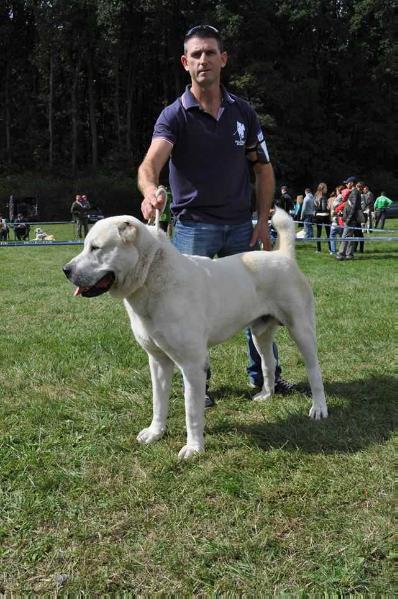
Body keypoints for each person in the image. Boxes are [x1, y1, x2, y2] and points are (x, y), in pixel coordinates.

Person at [138, 24, 294, 408]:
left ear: (223, 59)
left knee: (254, 302)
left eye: (210, 52)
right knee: (189, 309)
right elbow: (150, 164)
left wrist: (261, 221)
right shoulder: (174, 116)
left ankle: (265, 379)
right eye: (196, 54)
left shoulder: (243, 113)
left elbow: (264, 169)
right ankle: (199, 387)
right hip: (193, 230)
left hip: (242, 226)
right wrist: (149, 192)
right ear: (185, 63)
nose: (203, 60)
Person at [336, 180, 365, 260]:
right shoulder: (355, 192)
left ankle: (341, 254)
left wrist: (348, 219)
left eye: (347, 183)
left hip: (350, 219)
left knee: (345, 237)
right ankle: (349, 254)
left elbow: (353, 207)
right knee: (349, 237)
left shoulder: (355, 193)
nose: (346, 184)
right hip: (352, 218)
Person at [313, 182, 331, 253]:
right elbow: (324, 208)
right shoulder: (323, 196)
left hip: (318, 216)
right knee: (328, 233)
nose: (327, 189)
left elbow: (314, 207)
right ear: (323, 188)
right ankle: (330, 249)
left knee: (318, 233)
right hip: (325, 215)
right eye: (326, 188)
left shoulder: (316, 196)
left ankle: (318, 249)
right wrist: (328, 208)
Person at [328, 185, 344, 254]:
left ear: (338, 191)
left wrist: (332, 212)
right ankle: (341, 250)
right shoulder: (345, 199)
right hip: (342, 221)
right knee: (341, 236)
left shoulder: (337, 199)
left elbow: (333, 210)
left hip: (335, 221)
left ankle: (333, 250)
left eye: (337, 191)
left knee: (332, 236)